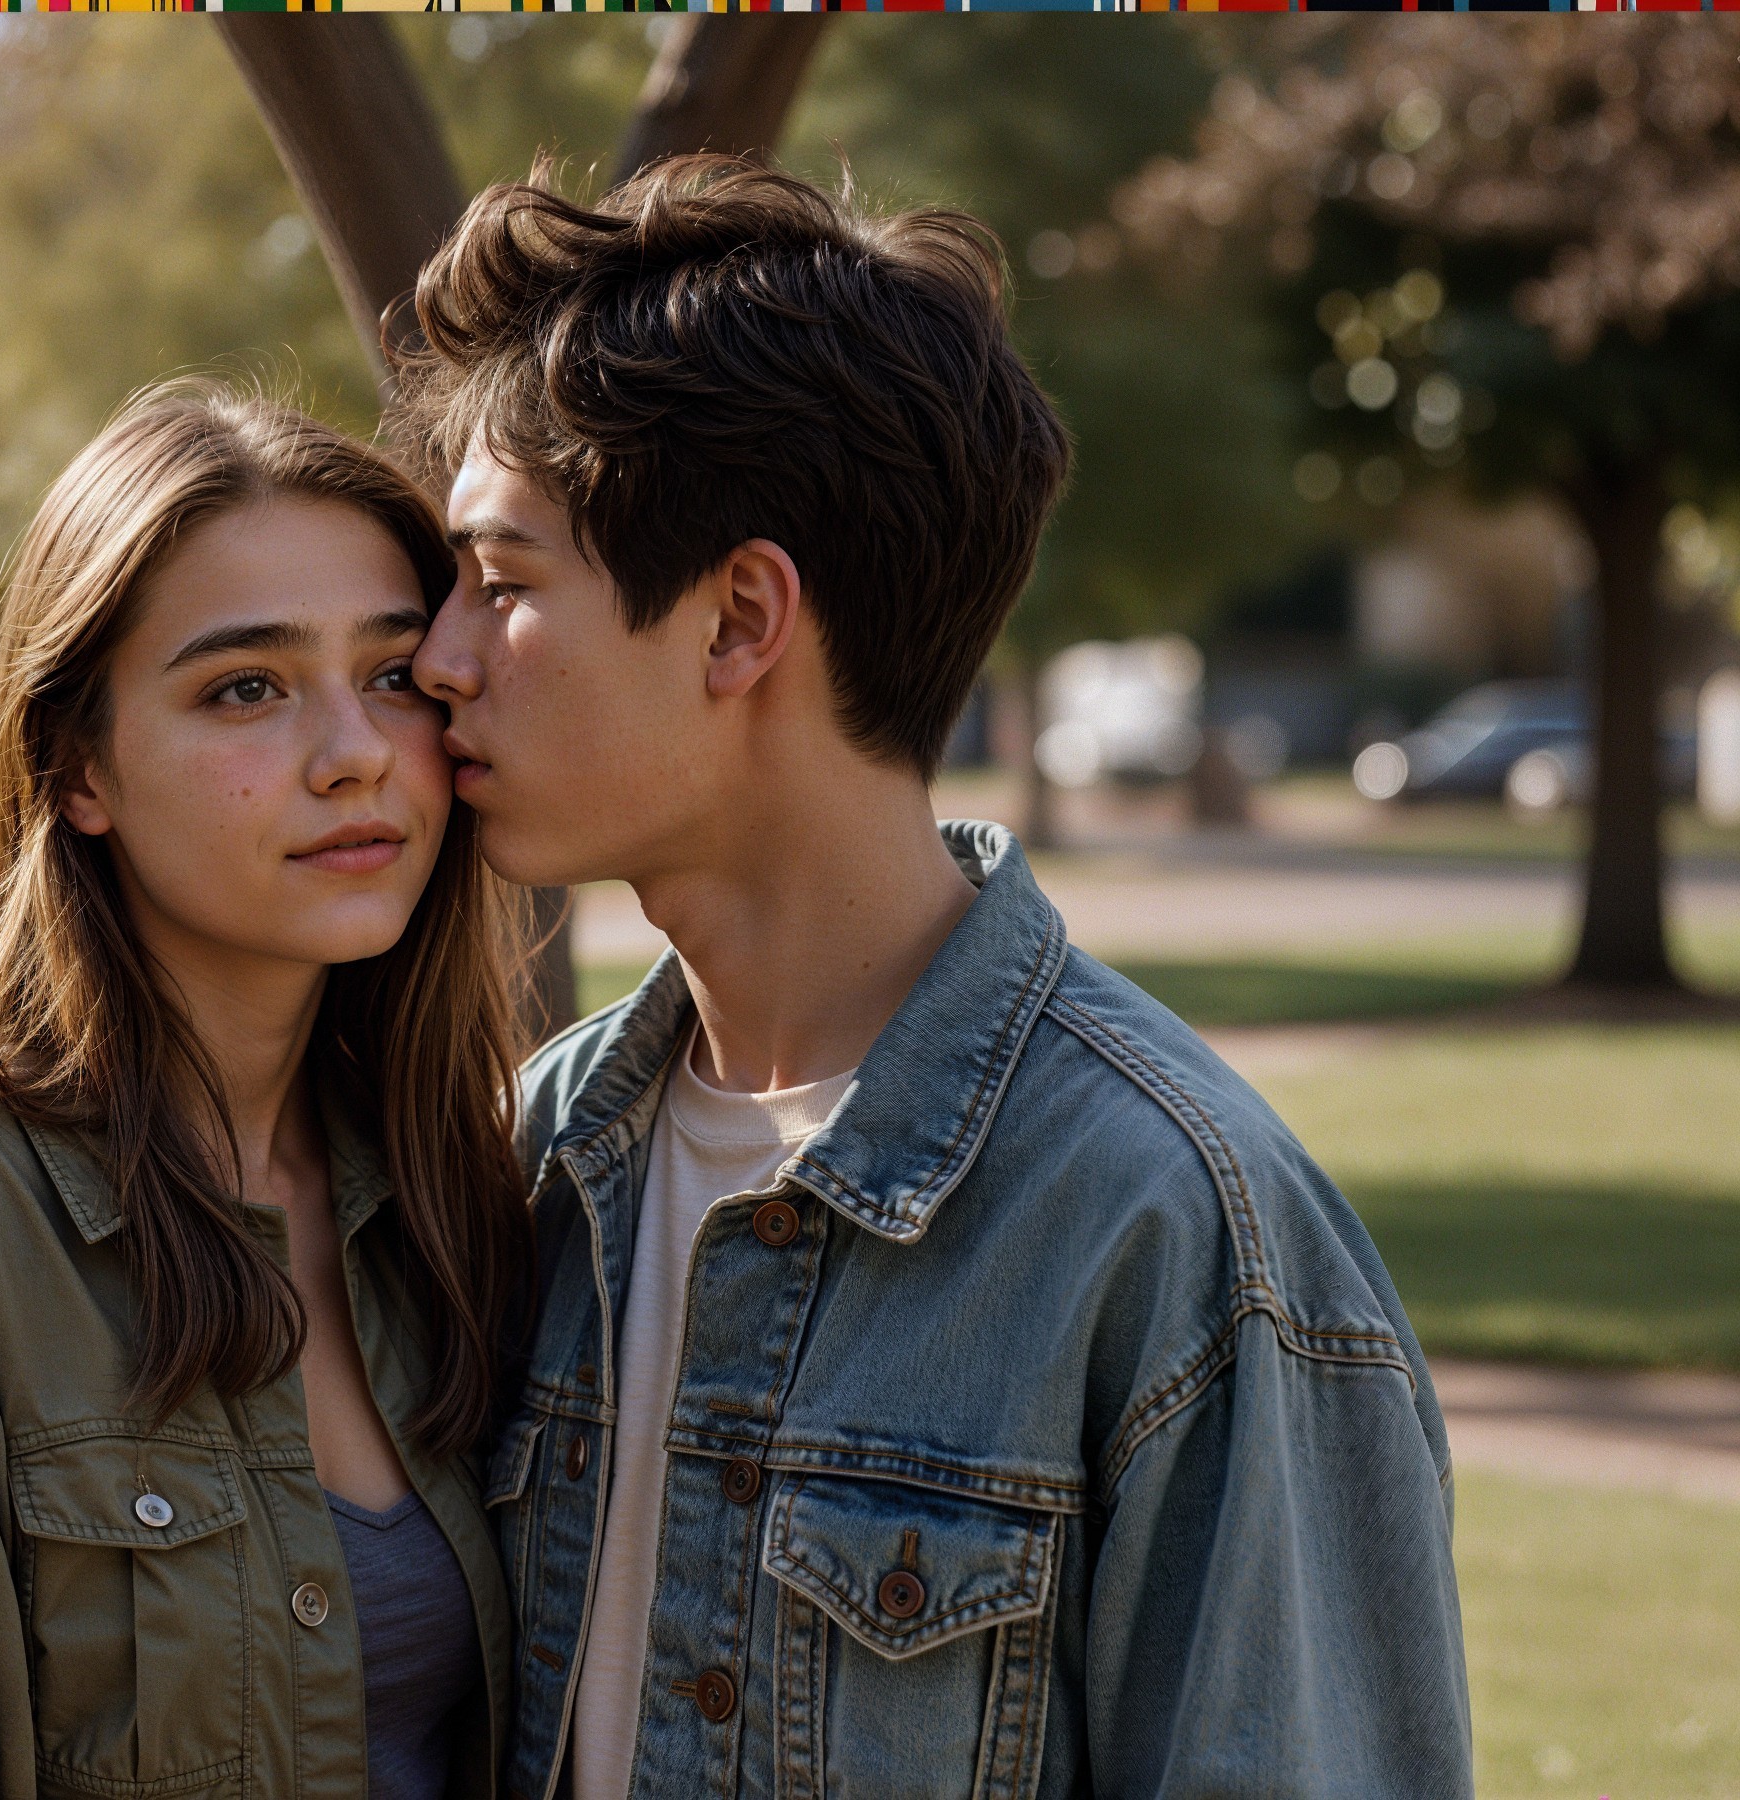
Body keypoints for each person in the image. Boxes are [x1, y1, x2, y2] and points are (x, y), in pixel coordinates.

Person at [398, 159, 1473, 1798]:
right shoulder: (535, 1153)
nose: (438, 659)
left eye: (504, 583)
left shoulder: (1177, 1233)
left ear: (739, 618)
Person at [0, 384, 532, 1800]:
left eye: (392, 674)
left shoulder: (459, 1190)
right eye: (246, 689)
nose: (351, 753)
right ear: (78, 766)